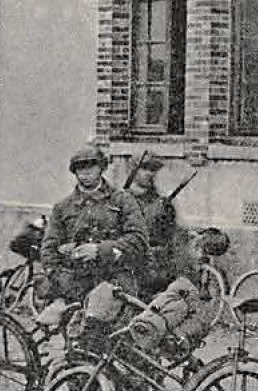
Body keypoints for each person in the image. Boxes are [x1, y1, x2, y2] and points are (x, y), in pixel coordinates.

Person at [37, 144, 149, 349]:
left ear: (102, 168)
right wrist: (60, 275)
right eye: (80, 169)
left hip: (116, 283)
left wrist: (100, 250)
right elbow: (48, 249)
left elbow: (139, 240)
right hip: (76, 287)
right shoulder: (63, 208)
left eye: (91, 167)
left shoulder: (122, 200)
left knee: (116, 348)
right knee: (77, 347)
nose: (86, 174)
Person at [127, 157, 181, 298]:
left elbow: (170, 240)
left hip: (156, 271)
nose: (149, 173)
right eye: (144, 168)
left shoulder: (162, 204)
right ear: (133, 170)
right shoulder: (121, 201)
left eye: (153, 170)